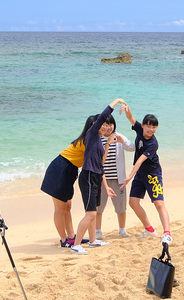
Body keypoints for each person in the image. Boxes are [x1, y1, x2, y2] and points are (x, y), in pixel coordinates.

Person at [70, 98, 126, 255]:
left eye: (108, 125)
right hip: (87, 176)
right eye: (103, 124)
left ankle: (93, 240)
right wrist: (117, 101)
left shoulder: (100, 142)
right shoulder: (92, 134)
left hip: (96, 177)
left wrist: (107, 187)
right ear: (95, 125)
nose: (106, 126)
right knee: (91, 213)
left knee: (94, 210)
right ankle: (76, 244)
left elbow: (101, 164)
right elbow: (104, 114)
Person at [40, 115, 97, 248]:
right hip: (60, 169)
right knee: (60, 208)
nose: (105, 127)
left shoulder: (91, 140)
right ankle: (63, 239)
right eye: (101, 124)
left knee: (67, 206)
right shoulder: (87, 140)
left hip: (69, 170)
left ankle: (71, 237)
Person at [120, 104, 172, 245]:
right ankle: (149, 229)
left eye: (154, 127)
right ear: (143, 125)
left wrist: (130, 176)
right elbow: (131, 118)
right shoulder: (139, 129)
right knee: (133, 202)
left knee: (159, 203)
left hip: (153, 175)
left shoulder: (153, 144)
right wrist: (127, 108)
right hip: (140, 175)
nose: (151, 130)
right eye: (149, 126)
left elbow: (140, 160)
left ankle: (167, 233)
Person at [95, 119, 135, 240]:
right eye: (106, 125)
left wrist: (123, 142)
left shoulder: (118, 136)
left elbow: (132, 148)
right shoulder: (98, 138)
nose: (109, 127)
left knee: (121, 206)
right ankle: (97, 231)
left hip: (119, 178)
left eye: (110, 124)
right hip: (102, 179)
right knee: (98, 207)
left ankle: (122, 230)